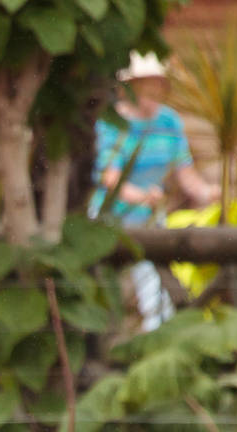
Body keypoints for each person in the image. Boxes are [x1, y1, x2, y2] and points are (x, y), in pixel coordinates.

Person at [91, 52, 217, 331]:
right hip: (110, 220)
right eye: (146, 86)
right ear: (128, 88)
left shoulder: (170, 122)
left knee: (157, 296)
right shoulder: (112, 123)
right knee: (105, 293)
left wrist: (209, 193)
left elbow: (185, 173)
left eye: (157, 86)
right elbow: (109, 177)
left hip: (150, 222)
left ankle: (157, 343)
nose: (153, 92)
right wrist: (141, 196)